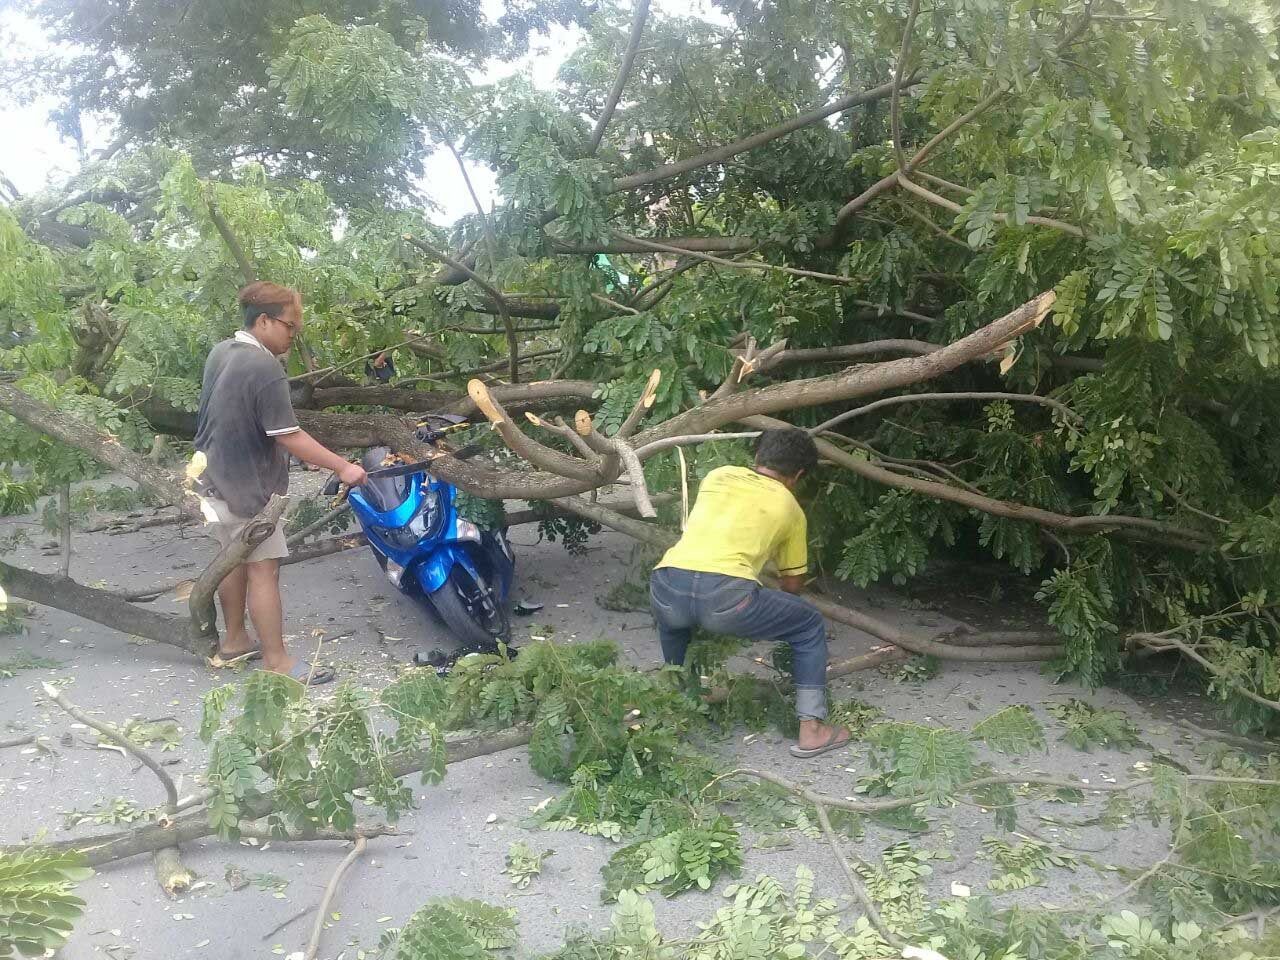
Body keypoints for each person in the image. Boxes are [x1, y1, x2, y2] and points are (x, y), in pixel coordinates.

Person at [193, 281, 368, 684]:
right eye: (290, 326)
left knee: (230, 561)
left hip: (211, 478)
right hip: (246, 487)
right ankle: (278, 662)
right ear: (264, 321)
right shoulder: (263, 365)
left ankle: (235, 642)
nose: (293, 335)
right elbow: (288, 434)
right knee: (263, 570)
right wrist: (344, 467)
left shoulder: (222, 352)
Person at [649, 428, 851, 758]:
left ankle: (681, 710)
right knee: (809, 624)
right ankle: (812, 730)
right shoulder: (791, 509)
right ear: (798, 475)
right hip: (726, 598)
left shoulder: (718, 476)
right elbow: (792, 585)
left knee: (675, 623)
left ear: (757, 457)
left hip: (667, 584)